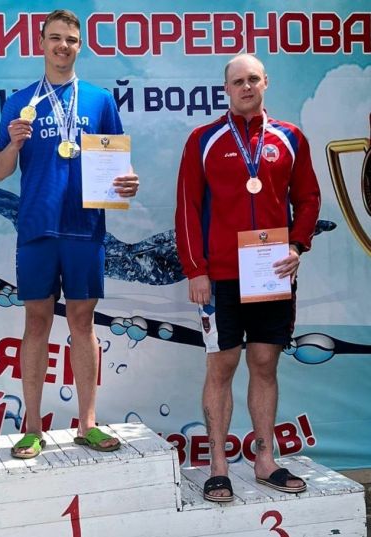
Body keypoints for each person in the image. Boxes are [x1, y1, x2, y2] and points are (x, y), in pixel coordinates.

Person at [0, 9, 139, 458]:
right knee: (35, 322)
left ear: (80, 46)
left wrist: (127, 182)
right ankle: (32, 427)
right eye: (55, 38)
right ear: (41, 43)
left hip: (84, 228)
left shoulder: (99, 100)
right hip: (37, 228)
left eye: (71, 40)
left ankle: (87, 423)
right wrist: (14, 144)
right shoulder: (20, 102)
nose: (63, 46)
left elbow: (117, 163)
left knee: (82, 322)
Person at [175, 54, 320, 502]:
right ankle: (218, 467)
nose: (246, 87)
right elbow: (187, 207)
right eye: (238, 81)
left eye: (253, 79)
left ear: (266, 83)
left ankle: (265, 460)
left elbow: (309, 198)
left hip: (271, 273)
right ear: (226, 89)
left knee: (264, 364)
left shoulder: (290, 138)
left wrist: (296, 246)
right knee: (221, 367)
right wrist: (196, 270)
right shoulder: (203, 140)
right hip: (220, 277)